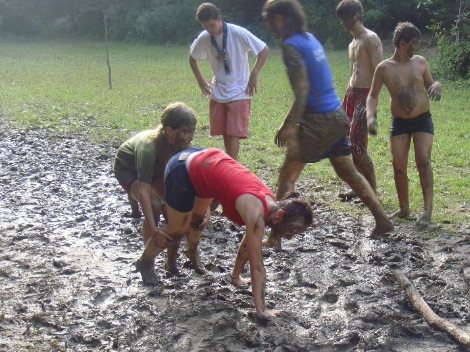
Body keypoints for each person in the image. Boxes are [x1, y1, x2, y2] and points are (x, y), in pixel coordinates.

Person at [261, 0, 394, 246]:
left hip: (318, 121)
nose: (269, 25)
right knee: (350, 174)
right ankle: (383, 220)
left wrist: (291, 126)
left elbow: (302, 89)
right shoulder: (309, 39)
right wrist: (287, 121)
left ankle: (274, 236)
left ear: (281, 18)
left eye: (271, 19)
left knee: (288, 175)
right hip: (337, 117)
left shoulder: (291, 45)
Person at [135, 147, 314, 318]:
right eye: (290, 231)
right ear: (280, 215)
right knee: (177, 228)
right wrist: (262, 310)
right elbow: (257, 266)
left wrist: (235, 277)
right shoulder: (256, 215)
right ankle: (145, 262)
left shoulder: (269, 204)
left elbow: (249, 244)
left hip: (204, 162)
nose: (288, 236)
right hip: (182, 168)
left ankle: (191, 252)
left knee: (197, 221)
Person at [366, 21, 441, 227]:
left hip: (422, 119)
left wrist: (437, 86)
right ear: (402, 43)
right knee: (398, 166)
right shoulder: (384, 68)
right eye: (413, 43)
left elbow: (432, 82)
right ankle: (404, 207)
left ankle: (427, 210)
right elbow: (372, 96)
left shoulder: (420, 62)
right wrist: (370, 116)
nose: (416, 47)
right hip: (399, 122)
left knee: (423, 160)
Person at [113, 102, 197, 258]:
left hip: (157, 168)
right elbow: (144, 191)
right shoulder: (148, 147)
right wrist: (154, 230)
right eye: (185, 132)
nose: (189, 137)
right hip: (128, 169)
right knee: (153, 207)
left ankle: (171, 260)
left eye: (192, 132)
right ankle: (148, 257)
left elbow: (191, 182)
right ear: (169, 130)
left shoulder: (183, 144)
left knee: (174, 207)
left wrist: (202, 211)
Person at [189, 3, 269, 161]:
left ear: (219, 18)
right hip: (219, 90)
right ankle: (231, 163)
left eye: (212, 25)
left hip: (240, 90)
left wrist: (254, 74)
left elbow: (263, 49)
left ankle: (231, 166)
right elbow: (192, 57)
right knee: (225, 132)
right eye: (206, 27)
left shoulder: (237, 32)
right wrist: (200, 79)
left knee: (233, 133)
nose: (210, 30)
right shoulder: (205, 37)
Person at [335, 0, 382, 201]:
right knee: (348, 144)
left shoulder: (370, 39)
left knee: (358, 148)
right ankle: (359, 188)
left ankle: (372, 193)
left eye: (345, 18)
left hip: (365, 94)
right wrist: (345, 98)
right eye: (340, 19)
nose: (342, 23)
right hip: (351, 94)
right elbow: (353, 72)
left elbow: (379, 72)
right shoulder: (352, 43)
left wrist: (372, 103)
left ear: (356, 16)